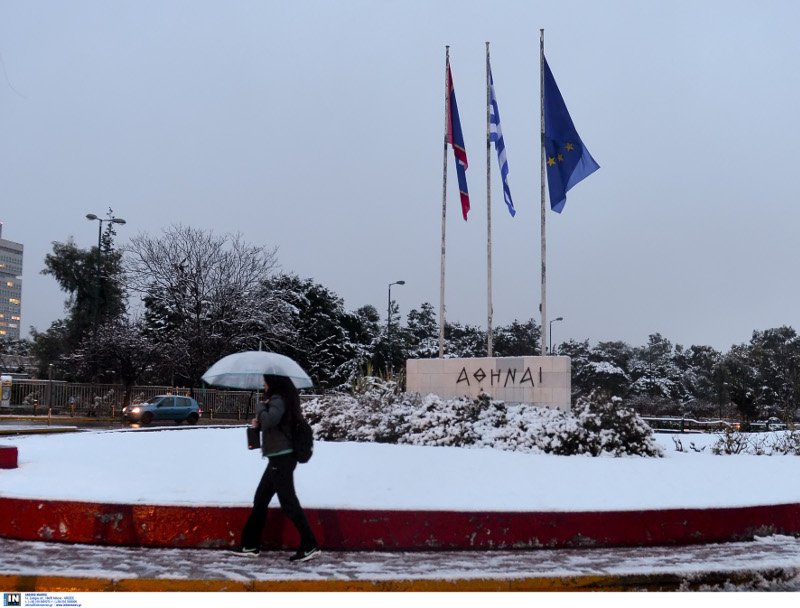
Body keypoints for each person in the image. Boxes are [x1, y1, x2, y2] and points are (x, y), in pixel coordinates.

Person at [233, 374, 320, 562]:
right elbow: (273, 423)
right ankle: (250, 545)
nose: (263, 385)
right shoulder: (279, 400)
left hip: (282, 458)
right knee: (261, 499)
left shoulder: (278, 399)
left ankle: (310, 544)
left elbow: (271, 420)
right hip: (277, 458)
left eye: (265, 381)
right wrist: (260, 421)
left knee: (288, 502)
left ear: (273, 383)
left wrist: (260, 409)